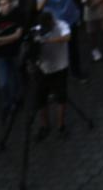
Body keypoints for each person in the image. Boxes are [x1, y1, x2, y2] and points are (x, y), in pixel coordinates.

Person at [30, 11, 72, 141]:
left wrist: (47, 40)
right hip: (43, 70)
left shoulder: (62, 25)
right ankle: (44, 126)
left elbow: (67, 37)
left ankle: (60, 125)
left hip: (60, 67)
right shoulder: (37, 30)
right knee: (41, 99)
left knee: (61, 97)